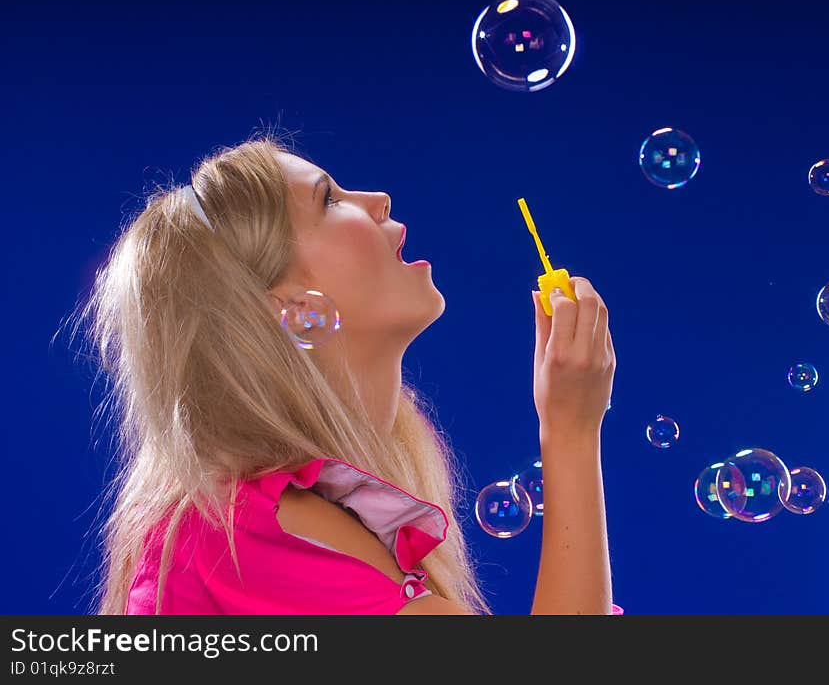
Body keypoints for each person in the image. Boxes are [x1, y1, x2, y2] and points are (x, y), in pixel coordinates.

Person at [72, 133, 618, 615]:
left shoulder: (276, 526)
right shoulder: (246, 542)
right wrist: (570, 430)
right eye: (328, 200)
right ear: (293, 309)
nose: (378, 199)